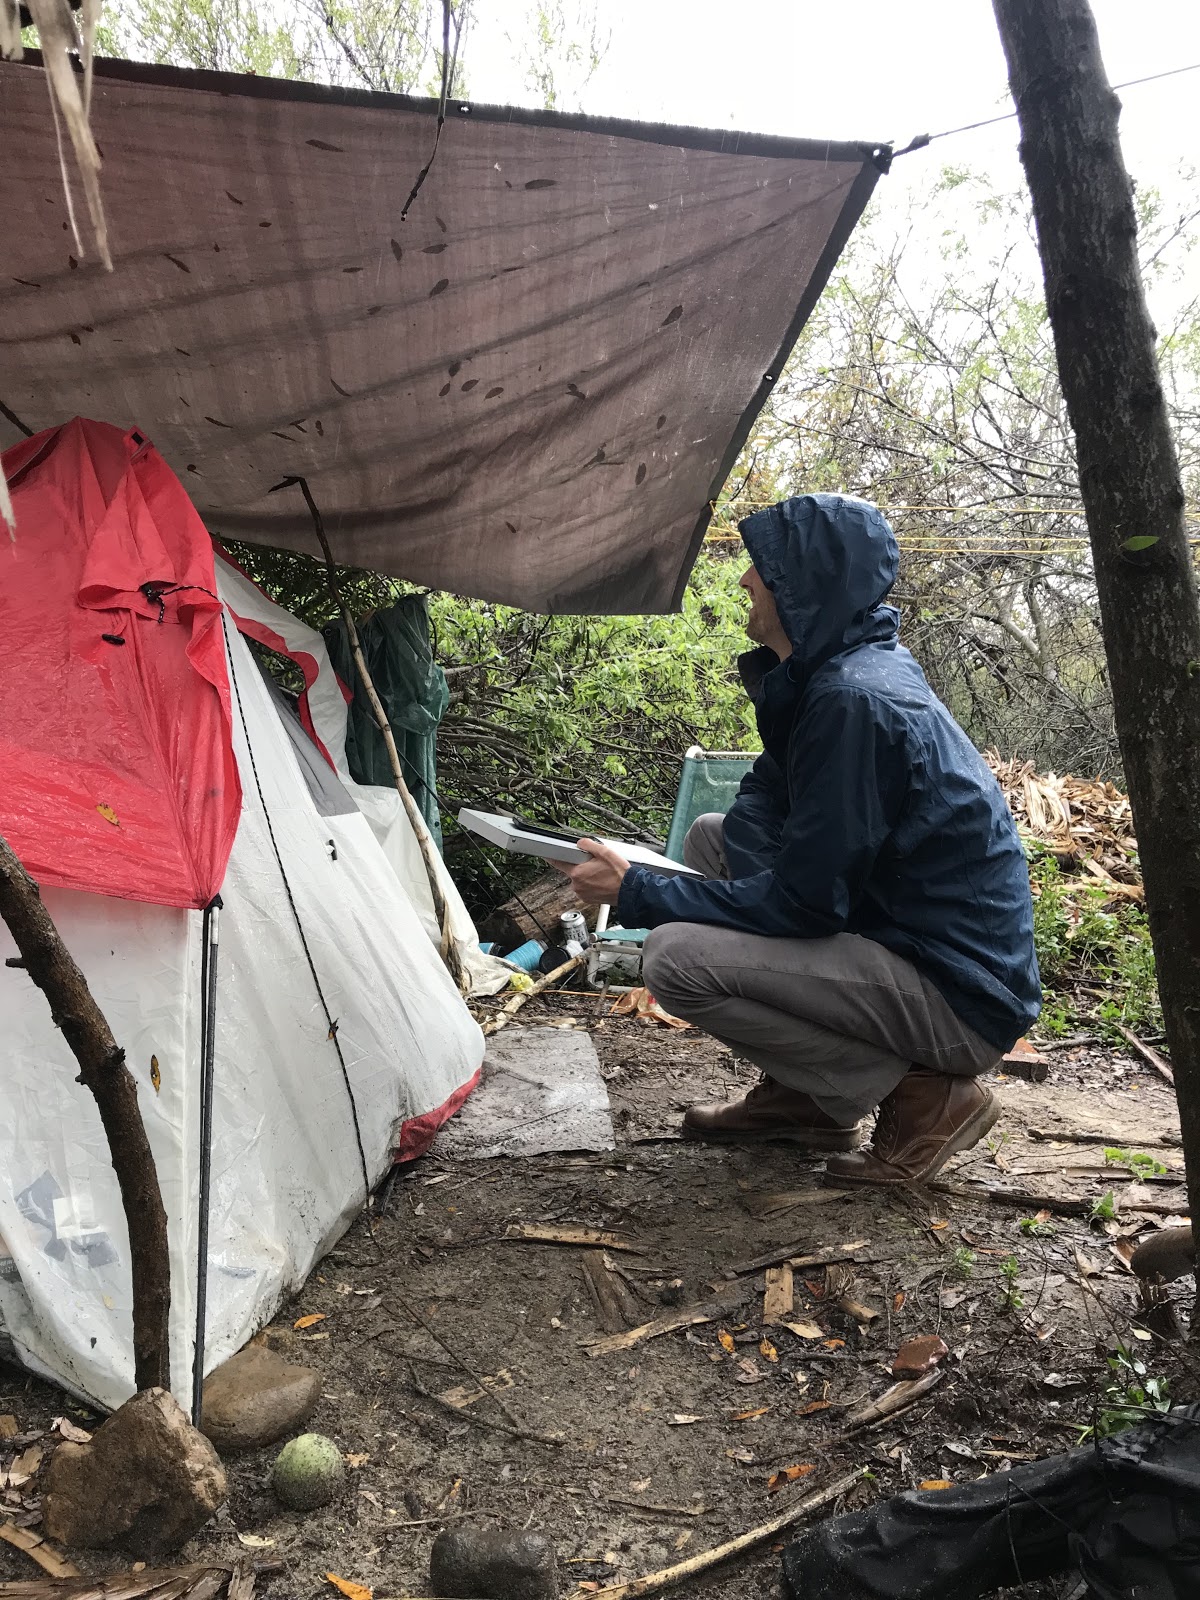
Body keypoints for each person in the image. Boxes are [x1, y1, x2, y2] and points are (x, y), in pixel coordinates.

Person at [564, 494, 1041, 1187]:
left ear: (802, 584)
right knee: (710, 838)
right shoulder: (831, 676)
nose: (745, 581)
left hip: (958, 996)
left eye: (761, 567)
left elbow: (808, 907)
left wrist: (640, 891)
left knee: (673, 958)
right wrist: (707, 887)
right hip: (902, 940)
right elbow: (765, 799)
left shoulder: (855, 701)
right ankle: (810, 1101)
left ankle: (926, 1097)